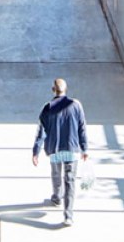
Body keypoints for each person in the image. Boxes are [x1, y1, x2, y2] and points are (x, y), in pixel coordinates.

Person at [30, 78, 90, 225]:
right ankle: (68, 215)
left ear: (53, 90)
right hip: (72, 149)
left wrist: (36, 151)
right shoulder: (76, 106)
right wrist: (84, 148)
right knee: (70, 180)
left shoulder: (48, 107)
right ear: (66, 89)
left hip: (55, 149)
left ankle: (57, 197)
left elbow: (41, 131)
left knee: (56, 174)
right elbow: (82, 128)